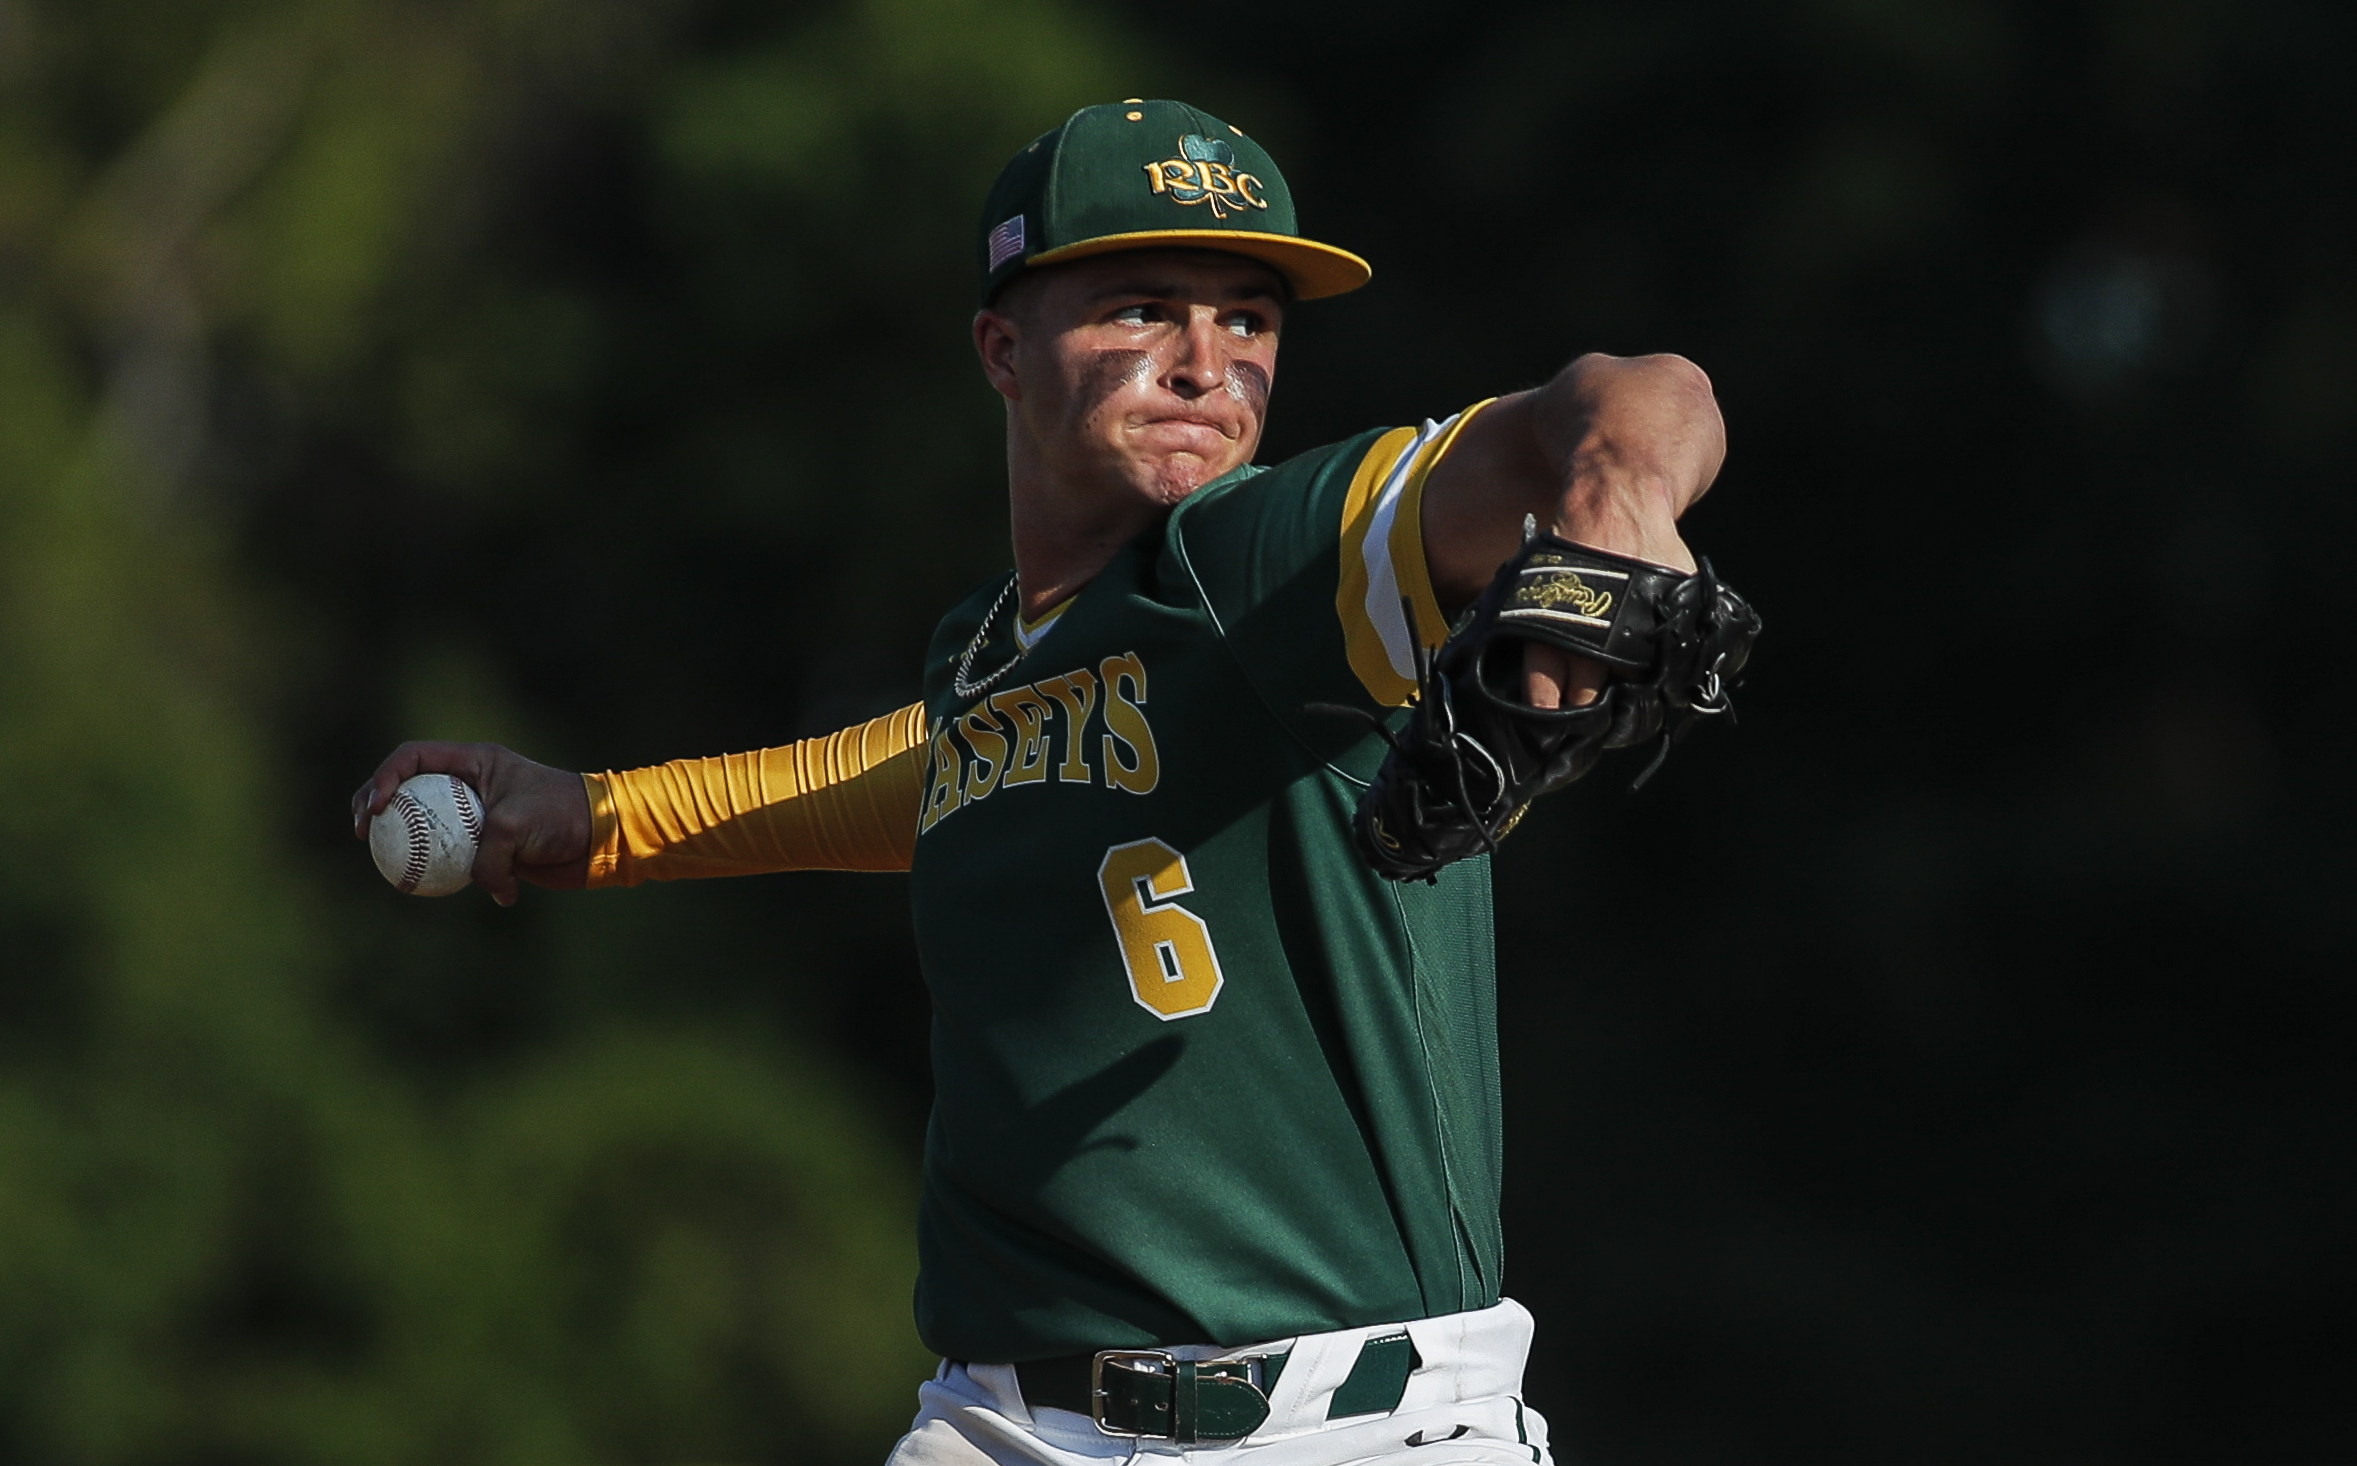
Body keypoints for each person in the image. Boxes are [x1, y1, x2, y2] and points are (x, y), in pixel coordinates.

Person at [354, 98, 1728, 1466]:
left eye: (1248, 319)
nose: (1204, 362)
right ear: (1003, 347)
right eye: (1141, 307)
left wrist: (1615, 486)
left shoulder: (1277, 563)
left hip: (1346, 1425)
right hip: (1002, 1422)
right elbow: (895, 772)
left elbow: (1638, 392)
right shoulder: (986, 660)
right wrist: (592, 815)